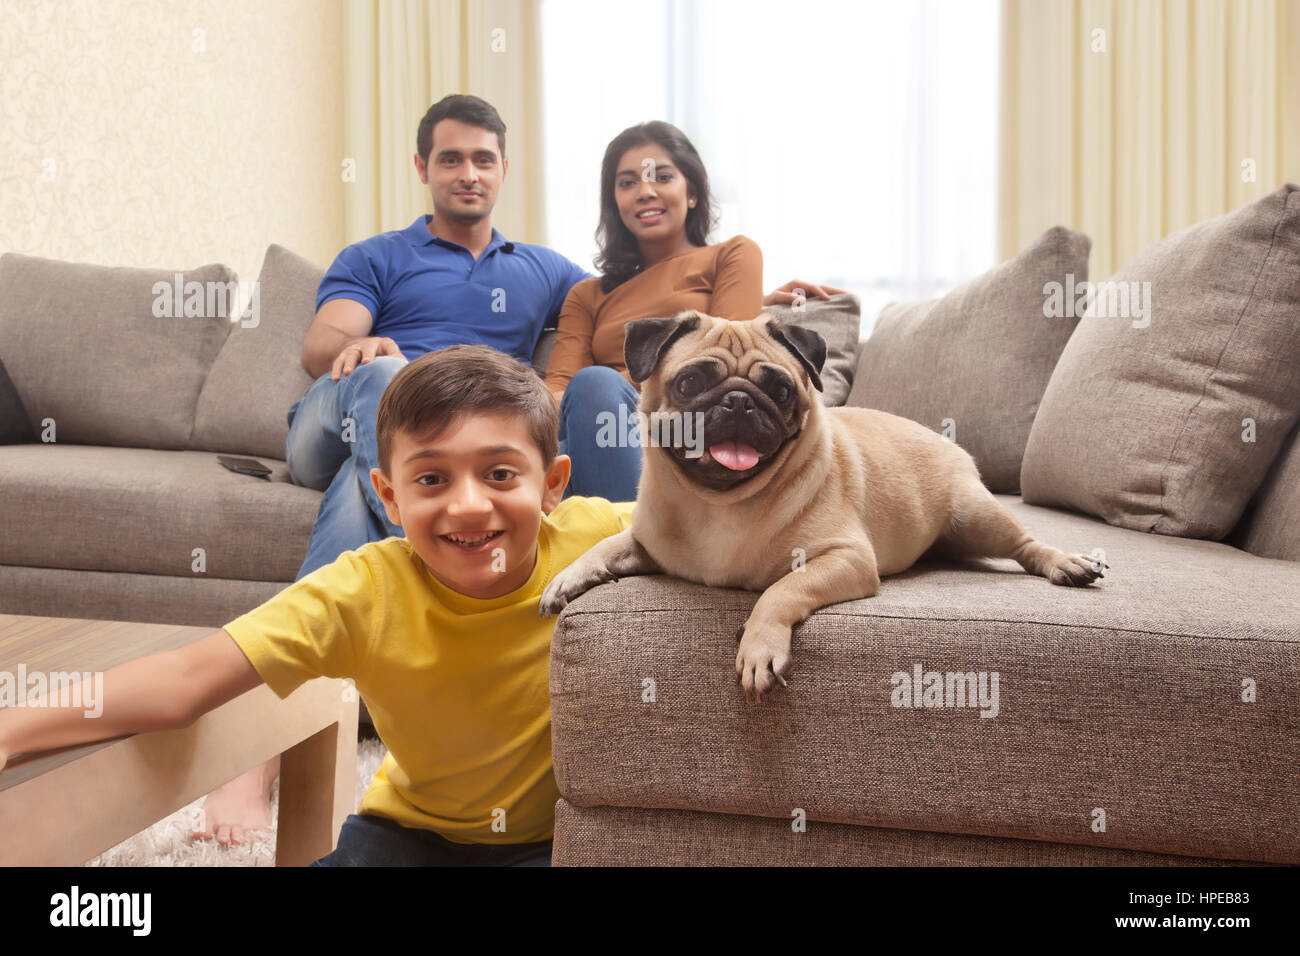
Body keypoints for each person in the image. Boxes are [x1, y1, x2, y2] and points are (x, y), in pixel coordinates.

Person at [0, 346, 634, 866]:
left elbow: (719, 536)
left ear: (552, 484)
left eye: (499, 474)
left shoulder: (594, 536)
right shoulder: (362, 588)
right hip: (407, 835)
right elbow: (185, 680)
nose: (467, 505)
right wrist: (11, 730)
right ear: (388, 497)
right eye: (432, 479)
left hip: (551, 842)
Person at [198, 93, 589, 847]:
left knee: (367, 480)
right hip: (340, 415)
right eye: (451, 158)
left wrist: (755, 297)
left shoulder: (544, 270)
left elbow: (620, 305)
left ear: (504, 169)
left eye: (483, 159)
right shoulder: (379, 256)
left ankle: (257, 757)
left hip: (400, 467)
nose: (467, 173)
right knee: (385, 386)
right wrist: (371, 344)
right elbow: (322, 347)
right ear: (423, 168)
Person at [544, 121, 842, 501]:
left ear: (693, 193)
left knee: (596, 382)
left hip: (680, 429)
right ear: (614, 201)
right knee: (589, 392)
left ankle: (627, 540)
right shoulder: (586, 295)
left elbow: (721, 358)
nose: (645, 192)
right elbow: (557, 392)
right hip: (594, 433)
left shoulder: (732, 255)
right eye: (627, 182)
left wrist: (622, 380)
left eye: (662, 177)